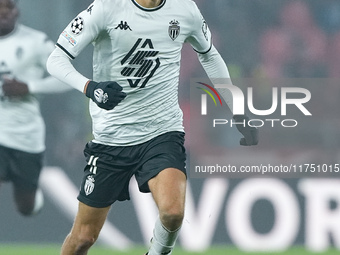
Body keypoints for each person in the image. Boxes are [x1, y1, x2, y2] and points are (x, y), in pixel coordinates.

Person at [47, 0, 258, 254]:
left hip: (162, 132)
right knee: (83, 238)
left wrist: (236, 107)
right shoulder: (106, 8)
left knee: (172, 213)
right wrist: (91, 88)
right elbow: (56, 59)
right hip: (112, 139)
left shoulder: (185, 9)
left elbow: (209, 55)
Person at [0, 0, 71, 216]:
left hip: (25, 134)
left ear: (17, 11)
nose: (3, 11)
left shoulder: (35, 42)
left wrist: (29, 87)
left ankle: (32, 197)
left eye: (8, 7)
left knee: (26, 207)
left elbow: (66, 77)